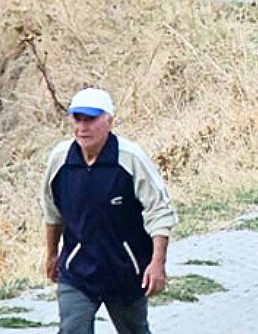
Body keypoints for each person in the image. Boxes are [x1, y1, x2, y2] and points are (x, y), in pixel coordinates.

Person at [42, 87, 178, 334]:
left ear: (109, 121)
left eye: (91, 119)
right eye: (77, 118)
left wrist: (157, 263)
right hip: (77, 271)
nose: (83, 127)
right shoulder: (60, 159)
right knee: (72, 329)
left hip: (125, 270)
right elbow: (52, 211)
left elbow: (160, 211)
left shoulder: (130, 158)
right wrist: (52, 254)